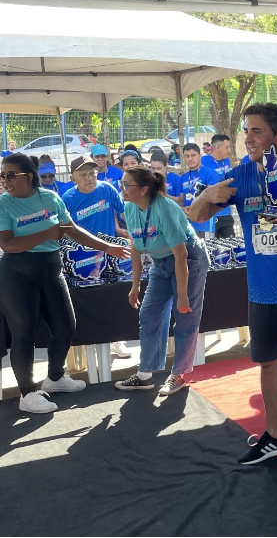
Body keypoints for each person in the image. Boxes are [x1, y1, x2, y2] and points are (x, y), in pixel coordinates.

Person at [189, 102, 277, 477]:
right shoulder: (239, 176)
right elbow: (196, 216)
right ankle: (275, 435)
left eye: (257, 131)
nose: (248, 138)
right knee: (268, 363)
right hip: (262, 291)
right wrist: (206, 196)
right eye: (246, 131)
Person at [0, 152, 129, 414]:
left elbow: (71, 230)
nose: (6, 180)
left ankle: (55, 378)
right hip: (16, 273)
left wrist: (108, 247)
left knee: (66, 327)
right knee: (23, 334)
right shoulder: (3, 204)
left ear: (30, 176)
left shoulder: (50, 197)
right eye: (3, 175)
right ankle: (27, 393)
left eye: (11, 175)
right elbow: (7, 244)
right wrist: (46, 233)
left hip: (50, 268)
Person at [114, 165, 209, 396]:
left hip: (188, 259)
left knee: (185, 316)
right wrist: (135, 285)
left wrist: (183, 294)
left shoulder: (164, 208)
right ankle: (146, 373)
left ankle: (179, 374)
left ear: (144, 189)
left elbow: (182, 255)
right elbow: (136, 249)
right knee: (149, 314)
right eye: (122, 184)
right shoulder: (130, 207)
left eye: (127, 185)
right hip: (160, 262)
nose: (122, 188)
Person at [62, 154, 131, 358]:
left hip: (111, 254)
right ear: (73, 178)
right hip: (83, 260)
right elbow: (65, 232)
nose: (90, 178)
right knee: (89, 302)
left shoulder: (107, 189)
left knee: (115, 298)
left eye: (92, 173)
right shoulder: (68, 199)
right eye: (84, 175)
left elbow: (124, 212)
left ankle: (116, 339)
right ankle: (86, 344)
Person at [178, 143, 221, 239]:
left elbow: (211, 199)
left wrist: (194, 209)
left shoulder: (210, 173)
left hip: (204, 225)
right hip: (187, 226)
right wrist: (182, 209)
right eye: (187, 156)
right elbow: (181, 201)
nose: (190, 159)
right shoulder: (183, 178)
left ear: (200, 156)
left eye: (193, 155)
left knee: (205, 253)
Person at [201, 134, 235, 238]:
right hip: (211, 215)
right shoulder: (203, 161)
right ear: (217, 148)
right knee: (211, 250)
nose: (229, 150)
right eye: (227, 147)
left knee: (232, 246)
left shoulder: (227, 161)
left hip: (226, 212)